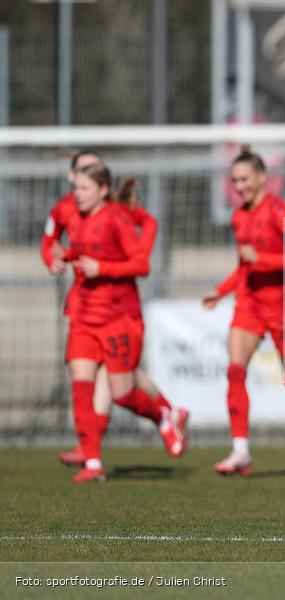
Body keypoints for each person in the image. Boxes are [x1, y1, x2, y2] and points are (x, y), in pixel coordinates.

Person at [43, 151, 188, 468]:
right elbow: (51, 242)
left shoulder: (116, 215)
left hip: (119, 314)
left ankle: (165, 415)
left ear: (101, 186)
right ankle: (92, 457)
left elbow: (142, 248)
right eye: (80, 176)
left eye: (89, 179)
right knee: (83, 381)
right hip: (82, 312)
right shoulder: (66, 208)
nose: (81, 188)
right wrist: (55, 259)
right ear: (72, 176)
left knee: (121, 388)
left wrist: (110, 265)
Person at [202, 145, 285, 479]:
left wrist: (264, 259)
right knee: (234, 371)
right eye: (234, 180)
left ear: (261, 177)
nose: (239, 186)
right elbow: (244, 265)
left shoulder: (281, 210)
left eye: (244, 179)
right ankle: (240, 450)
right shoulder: (238, 215)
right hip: (250, 304)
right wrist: (222, 289)